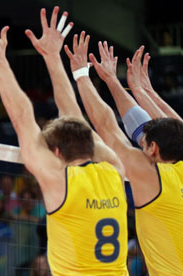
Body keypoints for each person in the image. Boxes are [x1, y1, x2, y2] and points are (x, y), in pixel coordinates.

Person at [0, 7, 128, 275]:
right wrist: (52, 57)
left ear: (56, 152)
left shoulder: (59, 181)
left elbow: (22, 117)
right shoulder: (114, 169)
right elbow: (74, 118)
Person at [66, 33, 183, 274]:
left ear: (153, 149)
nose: (140, 143)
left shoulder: (154, 177)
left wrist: (81, 75)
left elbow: (109, 129)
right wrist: (138, 89)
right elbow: (168, 125)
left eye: (143, 144)